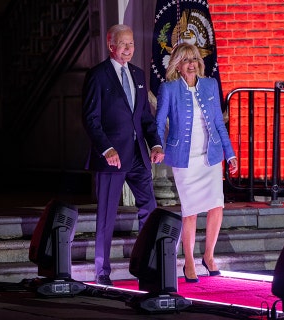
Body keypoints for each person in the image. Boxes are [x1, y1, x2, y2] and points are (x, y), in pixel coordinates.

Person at [82, 24, 164, 286]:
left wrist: (156, 144)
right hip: (112, 158)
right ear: (111, 45)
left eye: (132, 44)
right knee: (106, 216)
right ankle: (102, 271)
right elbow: (91, 119)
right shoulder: (97, 75)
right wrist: (107, 149)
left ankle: (147, 264)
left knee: (149, 210)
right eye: (124, 44)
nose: (129, 49)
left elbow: (144, 118)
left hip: (138, 155)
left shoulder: (139, 75)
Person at [155, 43, 238, 283]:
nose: (191, 63)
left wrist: (229, 153)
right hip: (184, 159)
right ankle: (189, 261)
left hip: (210, 157)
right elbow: (159, 122)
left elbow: (219, 124)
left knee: (216, 206)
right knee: (190, 211)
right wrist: (157, 146)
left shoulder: (210, 85)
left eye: (194, 59)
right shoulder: (168, 89)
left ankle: (209, 256)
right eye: (186, 60)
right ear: (177, 66)